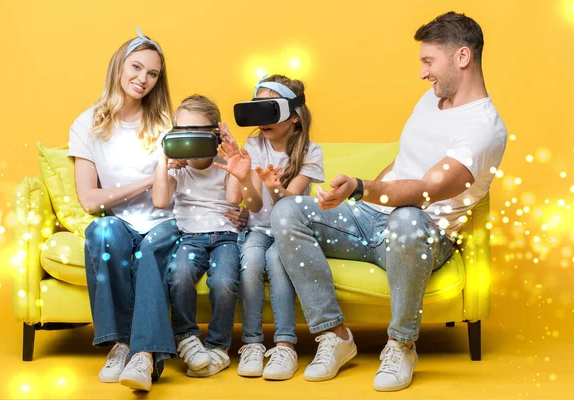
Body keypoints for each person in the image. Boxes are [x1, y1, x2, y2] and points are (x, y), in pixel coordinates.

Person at [270, 11, 507, 391]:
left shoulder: (484, 129)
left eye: (429, 61)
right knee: (287, 212)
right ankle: (335, 336)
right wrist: (356, 201)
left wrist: (359, 186)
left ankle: (401, 344)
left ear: (461, 57)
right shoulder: (431, 100)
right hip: (369, 221)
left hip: (421, 235)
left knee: (408, 218)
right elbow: (404, 162)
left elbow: (427, 189)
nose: (422, 72)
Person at [69, 28, 179, 391]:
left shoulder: (166, 124)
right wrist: (146, 181)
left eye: (152, 74)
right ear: (119, 66)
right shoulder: (87, 124)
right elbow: (89, 200)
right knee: (101, 232)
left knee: (150, 250)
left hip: (166, 221)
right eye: (136, 67)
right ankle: (120, 344)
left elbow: (176, 190)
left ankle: (145, 355)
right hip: (122, 221)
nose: (143, 79)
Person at [216, 74, 324, 380]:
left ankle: (285, 345)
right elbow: (251, 206)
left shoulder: (309, 153)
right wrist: (242, 174)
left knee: (278, 261)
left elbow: (289, 207)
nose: (261, 119)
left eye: (270, 109)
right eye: (257, 108)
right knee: (250, 260)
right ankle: (251, 343)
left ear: (293, 117)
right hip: (257, 229)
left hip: (291, 234)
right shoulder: (253, 145)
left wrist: (275, 187)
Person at [153, 95, 243, 378]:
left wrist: (234, 157)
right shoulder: (179, 170)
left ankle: (218, 346)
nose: (190, 140)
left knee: (225, 282)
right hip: (190, 238)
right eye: (182, 132)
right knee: (178, 274)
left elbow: (233, 197)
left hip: (225, 237)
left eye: (198, 133)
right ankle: (187, 338)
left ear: (214, 134)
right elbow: (159, 200)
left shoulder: (222, 164)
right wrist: (164, 159)